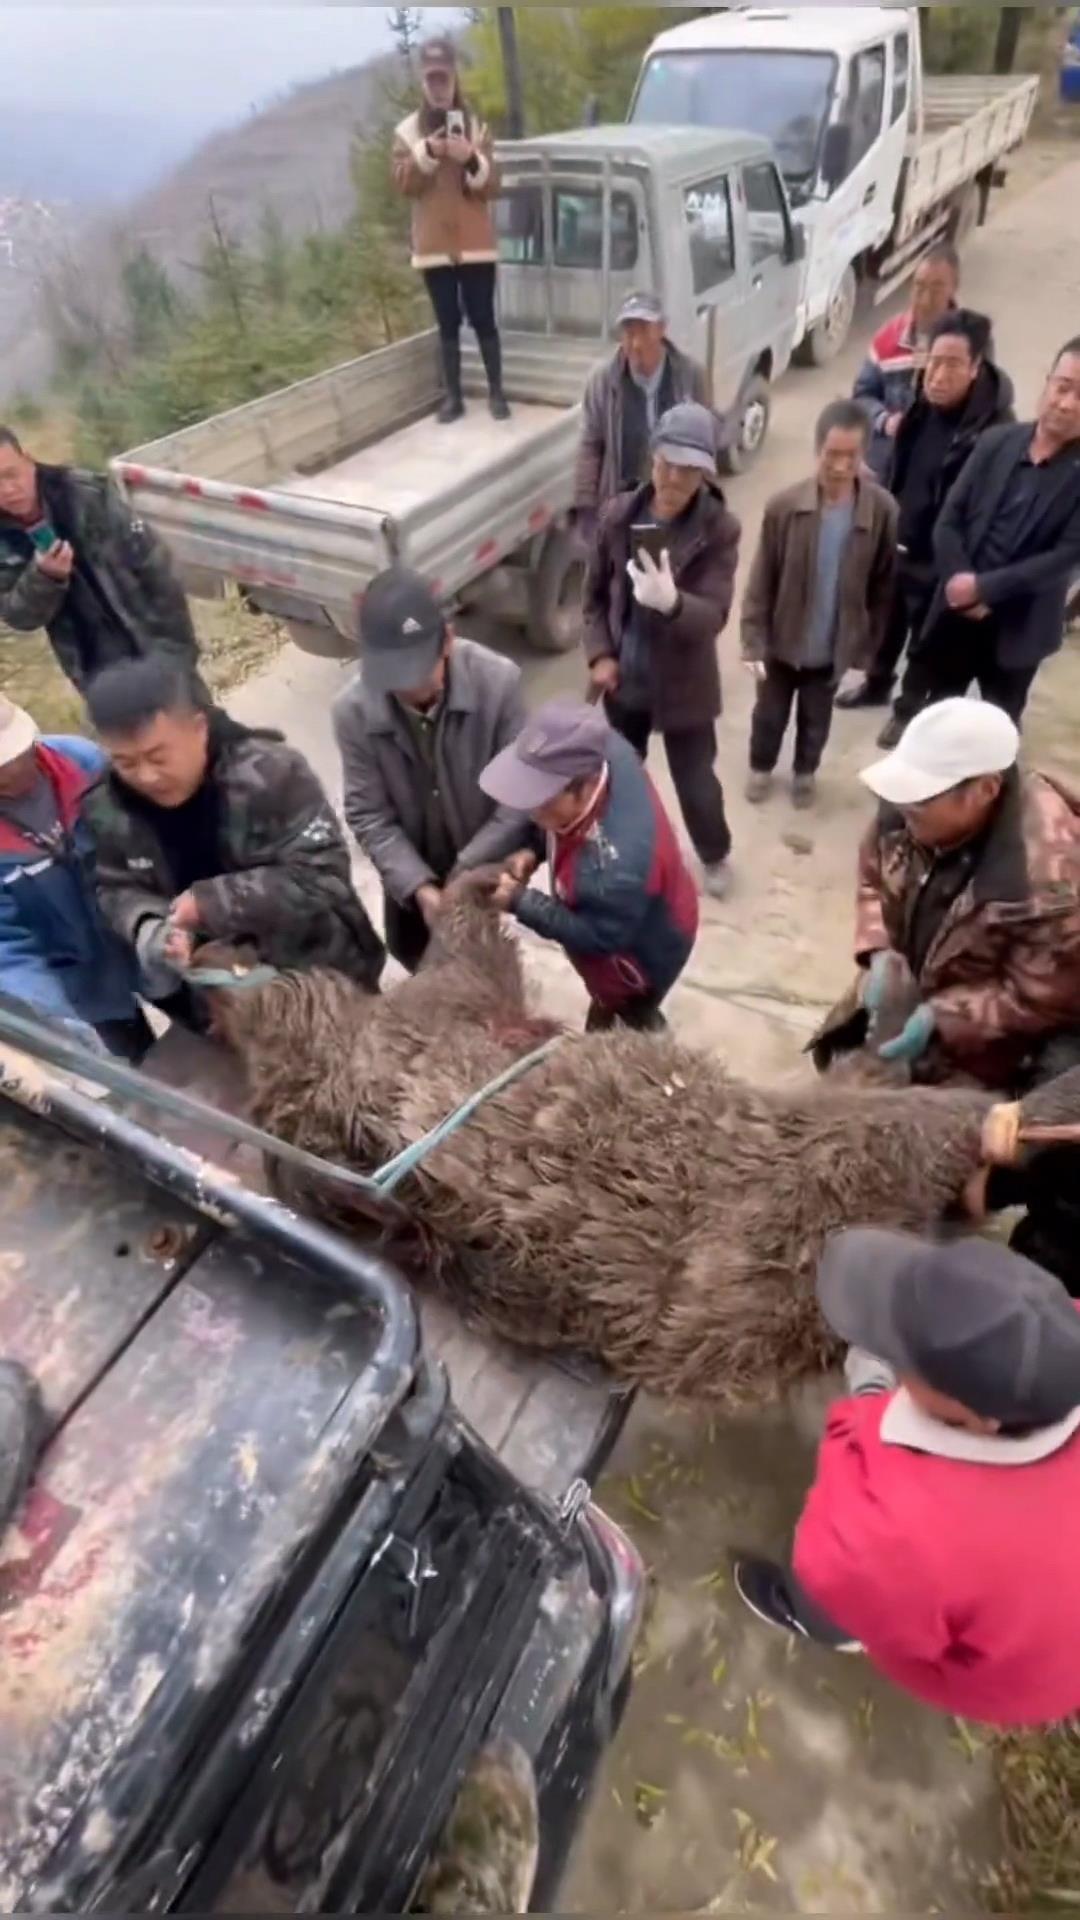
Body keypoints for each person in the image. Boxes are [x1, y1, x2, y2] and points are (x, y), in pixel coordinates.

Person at [736, 1229, 1080, 1730]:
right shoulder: (1062, 1338)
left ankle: (823, 1624)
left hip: (1013, 1677)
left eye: (904, 1355)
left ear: (978, 1419)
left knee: (828, 1583)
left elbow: (841, 1542)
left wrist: (871, 1393)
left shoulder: (884, 1530)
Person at [82, 659, 385, 1014]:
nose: (146, 777)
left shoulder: (272, 774)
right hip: (220, 1002)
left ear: (199, 728)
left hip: (323, 980)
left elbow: (323, 877)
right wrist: (151, 927)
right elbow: (115, 888)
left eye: (158, 757)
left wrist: (211, 903)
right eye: (126, 763)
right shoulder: (109, 809)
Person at [847, 699, 1080, 1093]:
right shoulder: (907, 810)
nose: (902, 807)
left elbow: (1041, 999)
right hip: (912, 989)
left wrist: (943, 1018)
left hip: (989, 1048)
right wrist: (879, 948)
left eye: (920, 797)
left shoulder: (1052, 883)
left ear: (985, 790)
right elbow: (872, 877)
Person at [334, 567, 530, 975]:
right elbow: (368, 814)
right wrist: (419, 888)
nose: (409, 687)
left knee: (483, 964)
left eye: (418, 669)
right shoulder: (352, 712)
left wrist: (466, 874)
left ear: (448, 640)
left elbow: (518, 798)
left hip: (481, 857)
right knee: (413, 956)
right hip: (409, 871)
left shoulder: (499, 683)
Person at [883, 337, 1080, 737]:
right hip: (957, 613)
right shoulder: (997, 441)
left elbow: (1065, 555)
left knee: (998, 733)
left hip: (1020, 626)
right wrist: (960, 581)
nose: (1067, 403)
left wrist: (984, 590)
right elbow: (949, 519)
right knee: (938, 719)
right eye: (1063, 387)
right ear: (1047, 382)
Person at [582, 401, 740, 900]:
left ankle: (713, 853)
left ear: (704, 472)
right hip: (626, 677)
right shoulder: (617, 516)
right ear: (652, 457)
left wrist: (674, 604)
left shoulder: (719, 529)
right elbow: (593, 598)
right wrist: (601, 655)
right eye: (667, 463)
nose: (674, 478)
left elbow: (713, 615)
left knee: (696, 782)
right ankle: (624, 852)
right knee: (619, 777)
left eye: (688, 469)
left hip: (684, 683)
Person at [478, 700, 698, 1033]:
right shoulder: (598, 745)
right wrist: (534, 849)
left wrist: (520, 901)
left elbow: (595, 937)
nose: (532, 812)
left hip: (647, 951)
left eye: (542, 800)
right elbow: (555, 820)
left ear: (583, 788)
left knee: (632, 1006)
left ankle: (637, 1020)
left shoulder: (615, 870)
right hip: (650, 898)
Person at [742, 400, 897, 811]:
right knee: (769, 715)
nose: (841, 466)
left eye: (851, 456)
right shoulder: (784, 507)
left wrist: (866, 649)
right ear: (817, 450)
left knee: (816, 721)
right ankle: (761, 767)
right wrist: (753, 641)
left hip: (831, 651)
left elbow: (883, 588)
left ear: (864, 454)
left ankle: (805, 773)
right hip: (781, 644)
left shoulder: (881, 512)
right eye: (832, 454)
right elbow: (761, 580)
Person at [870, 310, 1015, 742]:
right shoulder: (922, 405)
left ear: (976, 367)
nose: (937, 375)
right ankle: (875, 683)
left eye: (952, 364)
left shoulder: (995, 432)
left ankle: (908, 711)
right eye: (933, 361)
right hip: (903, 540)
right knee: (886, 623)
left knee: (927, 641)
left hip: (945, 558)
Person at [0, 694, 151, 1060]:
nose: (15, 771)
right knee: (144, 1066)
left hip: (147, 936)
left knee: (215, 1028)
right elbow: (9, 949)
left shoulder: (83, 761)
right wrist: (57, 1015)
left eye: (19, 756)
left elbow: (149, 833)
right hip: (84, 981)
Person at [0, 426, 202, 697]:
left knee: (198, 720)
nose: (8, 490)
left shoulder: (85, 494)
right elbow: (19, 616)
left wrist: (179, 650)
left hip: (152, 643)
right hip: (96, 672)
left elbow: (155, 566)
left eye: (11, 474)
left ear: (27, 460)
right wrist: (45, 577)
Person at [392, 35, 507, 424]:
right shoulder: (407, 132)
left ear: (455, 78)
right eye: (432, 80)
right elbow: (404, 185)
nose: (438, 87)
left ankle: (497, 393)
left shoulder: (476, 127)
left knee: (483, 317)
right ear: (423, 82)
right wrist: (427, 152)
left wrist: (470, 158)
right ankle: (453, 399)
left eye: (444, 78)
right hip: (433, 246)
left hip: (475, 244)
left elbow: (493, 186)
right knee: (447, 323)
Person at [573, 291, 711, 536]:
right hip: (620, 508)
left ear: (662, 329)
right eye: (629, 333)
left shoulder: (690, 375)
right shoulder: (602, 380)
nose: (636, 344)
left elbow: (704, 443)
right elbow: (590, 445)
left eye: (644, 331)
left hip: (675, 505)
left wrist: (707, 505)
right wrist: (586, 510)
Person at [852, 243, 961, 486]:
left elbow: (981, 413)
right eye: (919, 286)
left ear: (954, 289)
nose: (925, 300)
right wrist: (886, 421)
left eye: (937, 289)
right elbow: (862, 396)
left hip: (936, 479)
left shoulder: (969, 345)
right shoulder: (888, 339)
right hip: (883, 473)